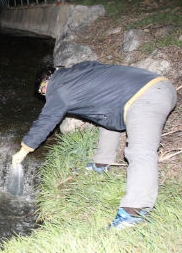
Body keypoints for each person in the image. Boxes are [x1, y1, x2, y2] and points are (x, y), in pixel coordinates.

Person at [11, 61, 177, 229]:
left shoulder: (58, 89)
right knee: (107, 119)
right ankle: (101, 164)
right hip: (154, 86)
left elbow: (46, 120)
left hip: (147, 97)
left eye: (42, 90)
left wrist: (24, 149)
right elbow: (104, 110)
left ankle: (134, 212)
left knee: (140, 152)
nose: (44, 95)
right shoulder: (79, 73)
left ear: (46, 81)